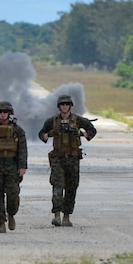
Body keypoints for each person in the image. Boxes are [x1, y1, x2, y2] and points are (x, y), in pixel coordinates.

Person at [38, 94, 97, 227]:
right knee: (57, 186)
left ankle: (66, 216)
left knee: (71, 187)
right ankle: (57, 215)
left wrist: (82, 134)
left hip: (73, 158)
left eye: (66, 104)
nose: (64, 107)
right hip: (58, 158)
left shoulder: (77, 120)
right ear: (59, 107)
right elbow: (42, 133)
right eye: (62, 105)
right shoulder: (52, 121)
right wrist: (48, 135)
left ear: (70, 106)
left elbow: (92, 130)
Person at [0, 101, 27, 234]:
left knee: (13, 193)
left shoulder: (18, 130)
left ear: (10, 113)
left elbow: (22, 149)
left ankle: (11, 214)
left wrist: (22, 166)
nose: (2, 114)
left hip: (12, 165)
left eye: (5, 112)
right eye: (0, 112)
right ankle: (1, 223)